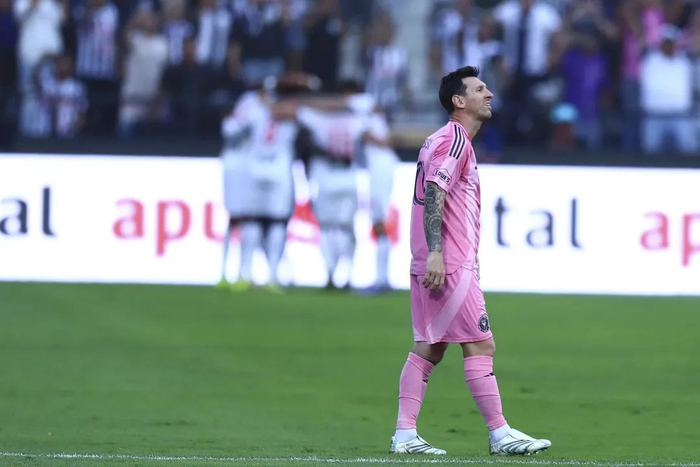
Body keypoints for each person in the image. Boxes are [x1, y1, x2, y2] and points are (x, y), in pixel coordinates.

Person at [390, 66, 552, 456]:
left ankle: (405, 434)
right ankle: (500, 434)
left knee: (429, 348)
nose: (489, 94)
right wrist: (437, 252)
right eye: (480, 89)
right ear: (459, 101)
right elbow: (435, 191)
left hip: (434, 259)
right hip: (447, 263)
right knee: (481, 344)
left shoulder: (438, 139)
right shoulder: (455, 140)